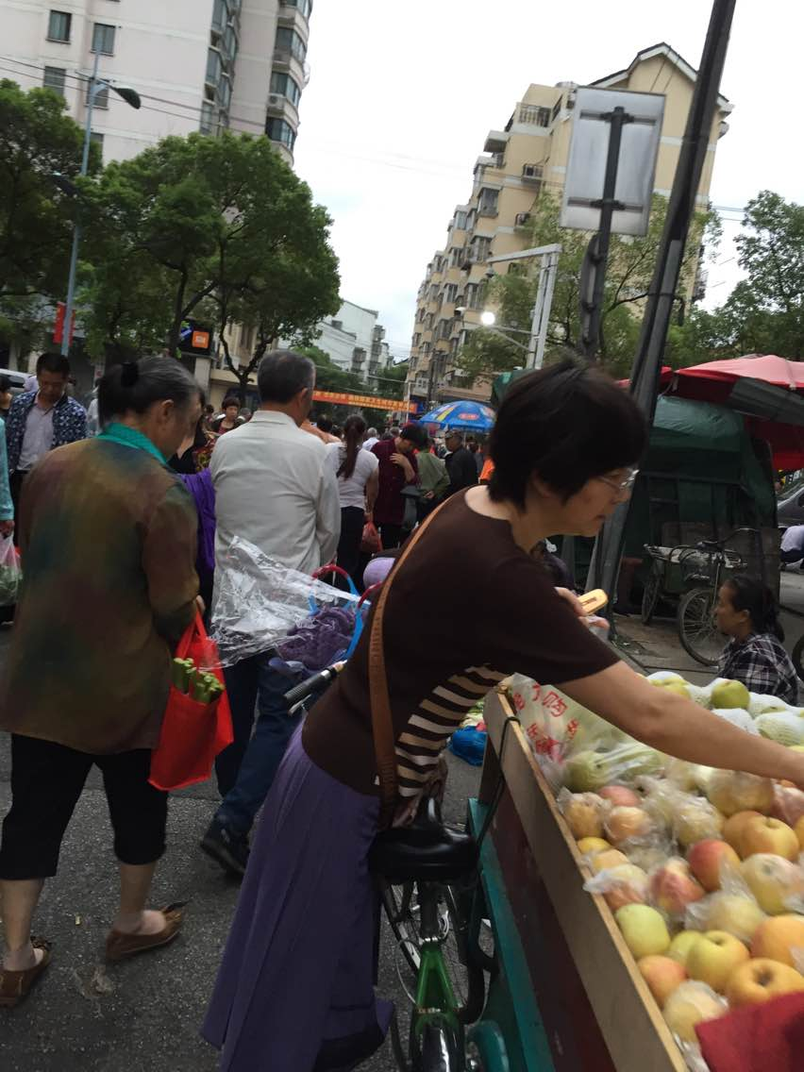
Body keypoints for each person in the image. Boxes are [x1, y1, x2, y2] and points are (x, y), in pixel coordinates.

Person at [202, 360, 804, 1072]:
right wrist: (791, 763)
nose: (621, 495)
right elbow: (652, 715)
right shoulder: (501, 574)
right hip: (343, 787)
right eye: (614, 478)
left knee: (310, 987)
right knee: (291, 1011)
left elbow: (457, 605)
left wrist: (543, 611)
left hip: (341, 764)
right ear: (549, 477)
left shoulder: (474, 507)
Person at [0, 357, 201, 1008]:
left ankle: (13, 958)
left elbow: (33, 550)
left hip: (41, 675)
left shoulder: (52, 466)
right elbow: (173, 606)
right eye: (190, 421)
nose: (190, 436)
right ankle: (130, 922)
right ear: (163, 412)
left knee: (32, 814)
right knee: (139, 806)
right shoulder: (163, 491)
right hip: (125, 687)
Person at [201, 350, 340, 877]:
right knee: (279, 715)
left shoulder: (226, 444)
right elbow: (329, 533)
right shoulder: (314, 453)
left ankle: (232, 804)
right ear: (304, 394)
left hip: (230, 602)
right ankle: (233, 820)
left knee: (233, 713)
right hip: (287, 611)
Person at [5, 353, 87, 522]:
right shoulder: (20, 404)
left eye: (56, 385)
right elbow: (8, 442)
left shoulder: (76, 413)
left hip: (52, 486)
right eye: (45, 383)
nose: (49, 389)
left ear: (66, 380)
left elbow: (78, 457)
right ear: (37, 377)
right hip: (17, 479)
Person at [715, 574, 799, 703]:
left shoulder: (757, 657)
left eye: (721, 604)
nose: (716, 611)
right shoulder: (739, 641)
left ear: (743, 616)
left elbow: (740, 711)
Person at [327, 414, 379, 584]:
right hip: (353, 513)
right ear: (364, 434)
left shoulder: (328, 450)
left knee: (324, 556)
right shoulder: (371, 459)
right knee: (347, 561)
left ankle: (321, 593)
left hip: (327, 509)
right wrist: (370, 509)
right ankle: (341, 596)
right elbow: (372, 492)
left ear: (343, 430)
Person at [370, 422, 427, 548]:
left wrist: (407, 466)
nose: (411, 448)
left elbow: (414, 485)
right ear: (402, 437)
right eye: (410, 444)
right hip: (375, 508)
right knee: (365, 546)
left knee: (389, 550)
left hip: (395, 513)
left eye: (414, 446)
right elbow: (367, 476)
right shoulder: (380, 448)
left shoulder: (410, 458)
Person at [415, 436, 449, 521]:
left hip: (416, 498)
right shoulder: (438, 461)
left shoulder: (414, 459)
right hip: (432, 499)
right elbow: (446, 481)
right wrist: (434, 492)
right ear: (430, 446)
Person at [444, 429, 478, 497]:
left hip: (460, 495)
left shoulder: (458, 457)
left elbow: (454, 481)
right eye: (446, 440)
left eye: (448, 439)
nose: (446, 442)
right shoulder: (465, 453)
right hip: (468, 494)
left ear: (457, 440)